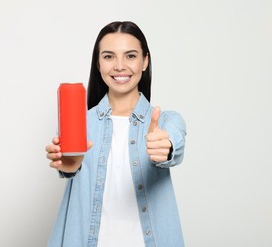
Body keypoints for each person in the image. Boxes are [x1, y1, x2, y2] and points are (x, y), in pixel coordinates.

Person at [45, 21, 186, 247]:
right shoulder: (80, 123)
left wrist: (166, 147)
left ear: (145, 61)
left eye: (130, 56)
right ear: (98, 64)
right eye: (109, 56)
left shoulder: (166, 121)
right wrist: (69, 166)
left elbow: (174, 141)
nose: (120, 66)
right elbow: (69, 164)